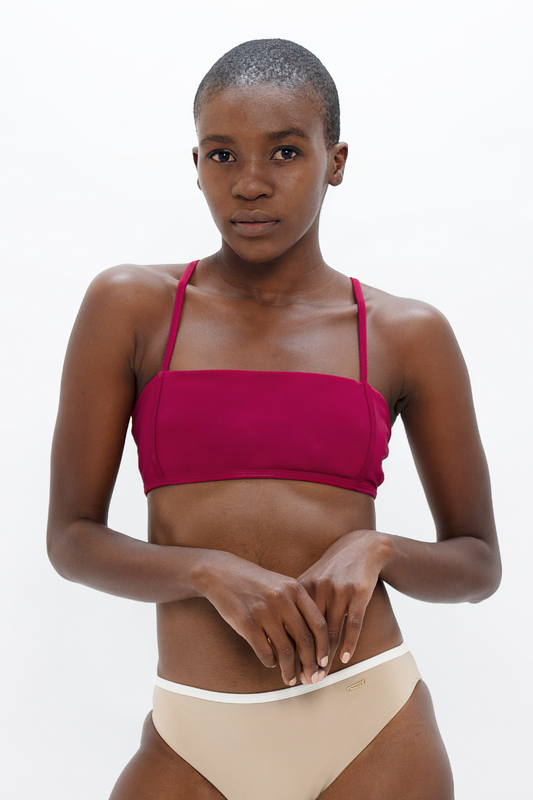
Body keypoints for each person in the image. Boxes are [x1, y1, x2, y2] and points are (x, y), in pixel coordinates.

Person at [47, 39, 501, 800]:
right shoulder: (130, 308)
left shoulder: (401, 332)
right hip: (192, 732)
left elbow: (477, 563)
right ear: (195, 164)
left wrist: (377, 546)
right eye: (222, 156)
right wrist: (208, 570)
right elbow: (71, 541)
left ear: (336, 159)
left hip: (371, 726)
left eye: (284, 151)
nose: (250, 184)